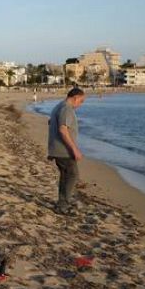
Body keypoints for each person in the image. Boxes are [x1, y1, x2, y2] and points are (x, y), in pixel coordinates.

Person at [47, 87, 86, 215]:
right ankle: (63, 205)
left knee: (66, 176)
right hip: (63, 150)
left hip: (56, 149)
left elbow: (51, 122)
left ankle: (62, 203)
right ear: (75, 98)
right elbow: (63, 130)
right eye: (81, 101)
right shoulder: (66, 109)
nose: (80, 104)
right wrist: (75, 149)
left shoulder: (58, 107)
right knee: (72, 175)